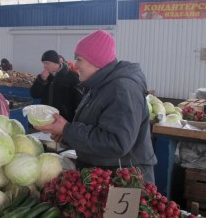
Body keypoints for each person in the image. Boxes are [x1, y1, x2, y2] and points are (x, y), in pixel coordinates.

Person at [35, 30, 157, 184]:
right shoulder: (99, 85)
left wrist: (68, 129)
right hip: (104, 176)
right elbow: (95, 126)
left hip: (124, 181)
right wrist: (67, 135)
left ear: (97, 62)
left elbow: (116, 143)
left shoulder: (122, 89)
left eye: (79, 59)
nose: (76, 65)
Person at [30, 50, 82, 123]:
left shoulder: (72, 76)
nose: (44, 66)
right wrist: (41, 80)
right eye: (43, 63)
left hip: (64, 120)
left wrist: (74, 121)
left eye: (47, 63)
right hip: (46, 118)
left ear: (55, 63)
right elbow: (34, 95)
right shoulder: (44, 76)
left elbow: (79, 101)